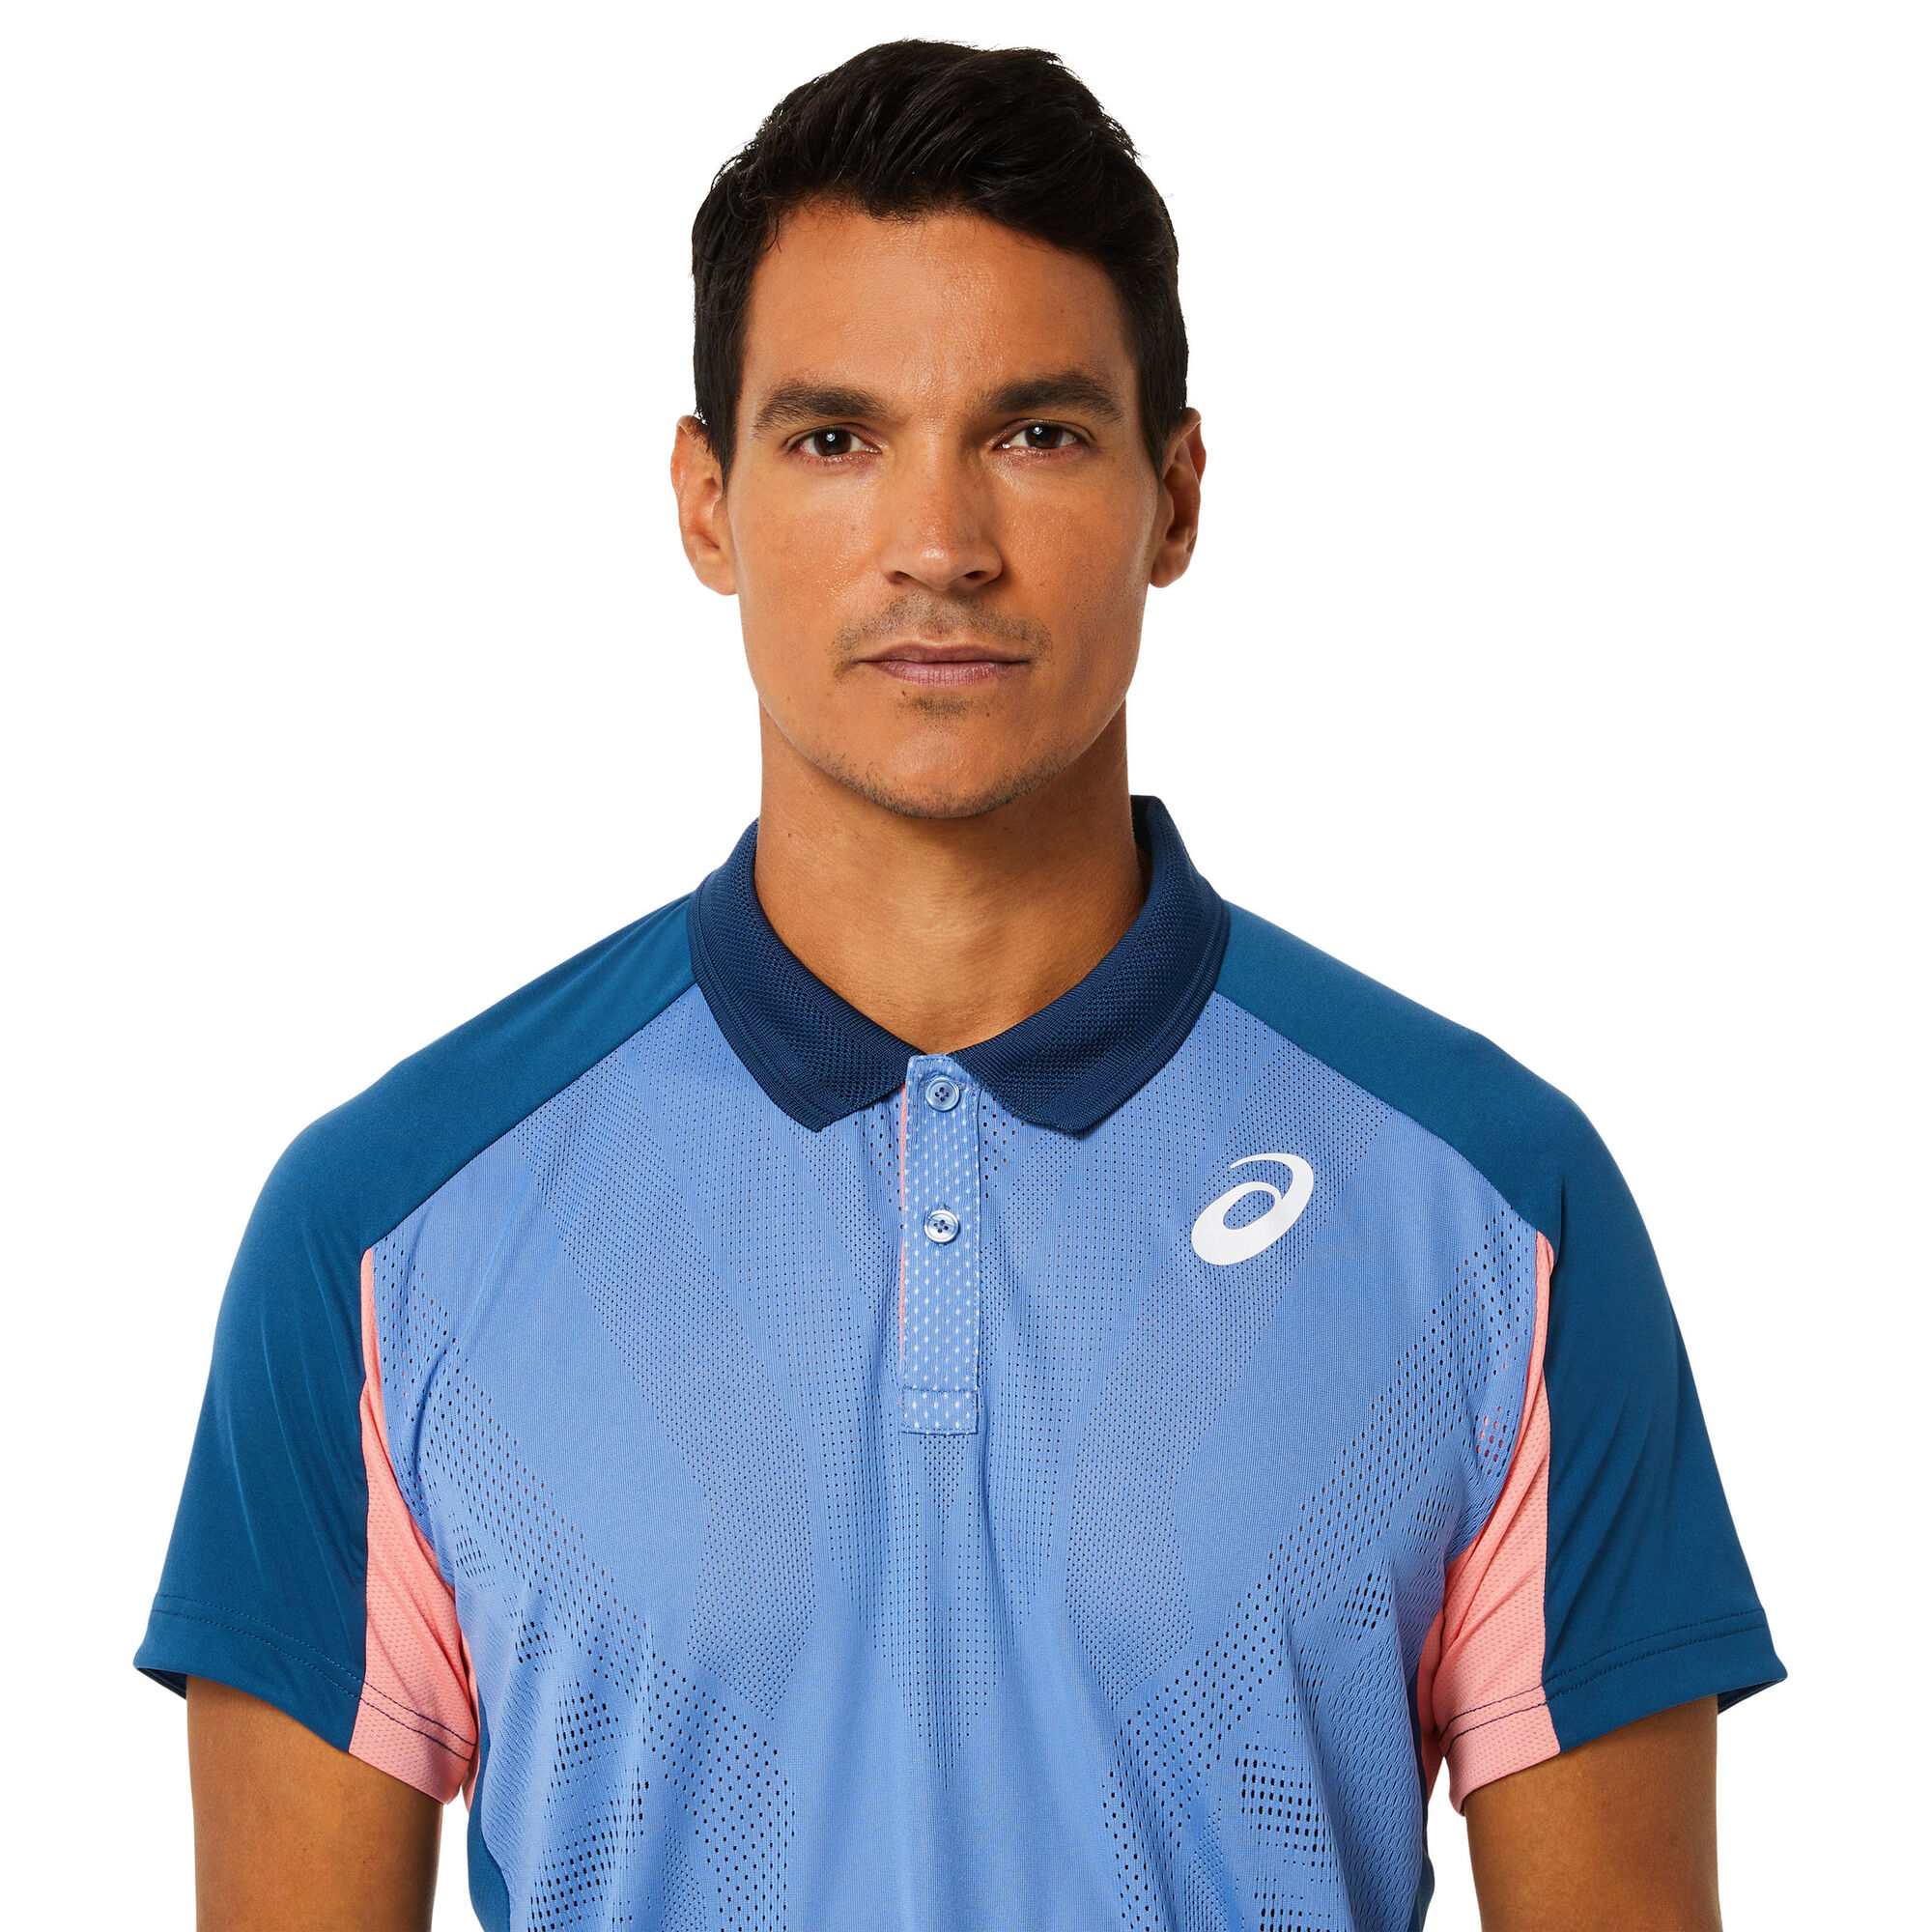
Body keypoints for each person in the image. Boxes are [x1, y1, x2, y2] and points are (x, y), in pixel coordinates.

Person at [137, 39, 1782, 1932]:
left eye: (1037, 434)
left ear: (1177, 497)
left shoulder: (1496, 1208)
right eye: (835, 439)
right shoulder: (380, 1231)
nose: (939, 546)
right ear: (703, 502)